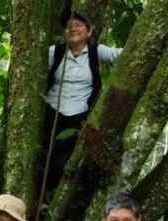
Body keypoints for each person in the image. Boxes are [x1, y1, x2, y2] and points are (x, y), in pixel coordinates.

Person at [44, 11, 122, 191]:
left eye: (78, 25)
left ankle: (60, 195)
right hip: (53, 110)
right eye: (68, 26)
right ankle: (45, 197)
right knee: (49, 155)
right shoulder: (54, 52)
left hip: (80, 112)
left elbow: (120, 54)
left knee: (69, 158)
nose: (73, 28)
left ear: (89, 32)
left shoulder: (96, 52)